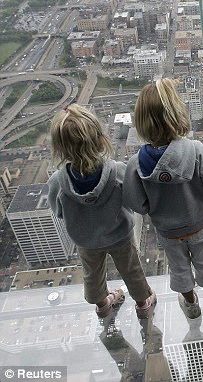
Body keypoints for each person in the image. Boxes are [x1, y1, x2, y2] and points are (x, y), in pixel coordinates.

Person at [124, 79, 203, 319]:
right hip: (198, 224)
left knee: (179, 268)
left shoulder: (136, 164)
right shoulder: (195, 150)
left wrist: (155, 205)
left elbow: (137, 203)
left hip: (167, 229)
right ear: (176, 112)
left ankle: (191, 305)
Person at [47, 104, 156, 319]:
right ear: (99, 138)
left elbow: (58, 211)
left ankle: (102, 304)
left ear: (60, 148)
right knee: (131, 269)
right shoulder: (116, 172)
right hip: (119, 235)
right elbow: (135, 201)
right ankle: (143, 304)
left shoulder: (58, 182)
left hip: (86, 239)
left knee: (93, 275)